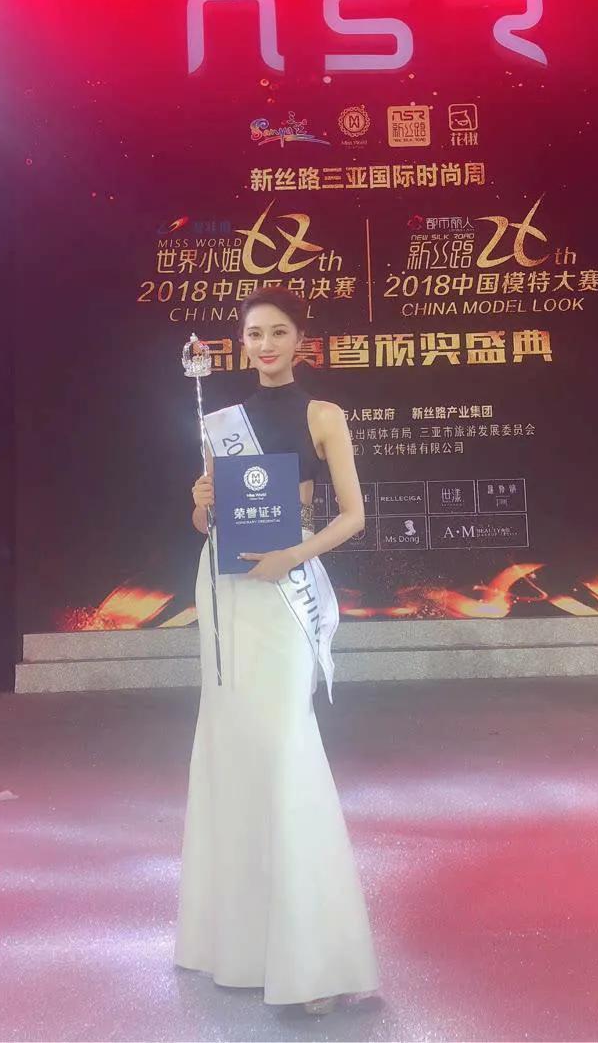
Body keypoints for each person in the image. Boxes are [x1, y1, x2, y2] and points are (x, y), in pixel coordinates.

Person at [174, 287, 379, 1014]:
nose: (265, 345)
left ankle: (312, 958)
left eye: (278, 332)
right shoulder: (221, 421)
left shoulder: (324, 415)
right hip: (228, 589)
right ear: (242, 343)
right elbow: (207, 523)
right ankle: (237, 943)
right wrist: (200, 501)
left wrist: (293, 552)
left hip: (284, 585)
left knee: (287, 744)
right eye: (254, 333)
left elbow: (353, 516)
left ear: (300, 340)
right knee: (232, 748)